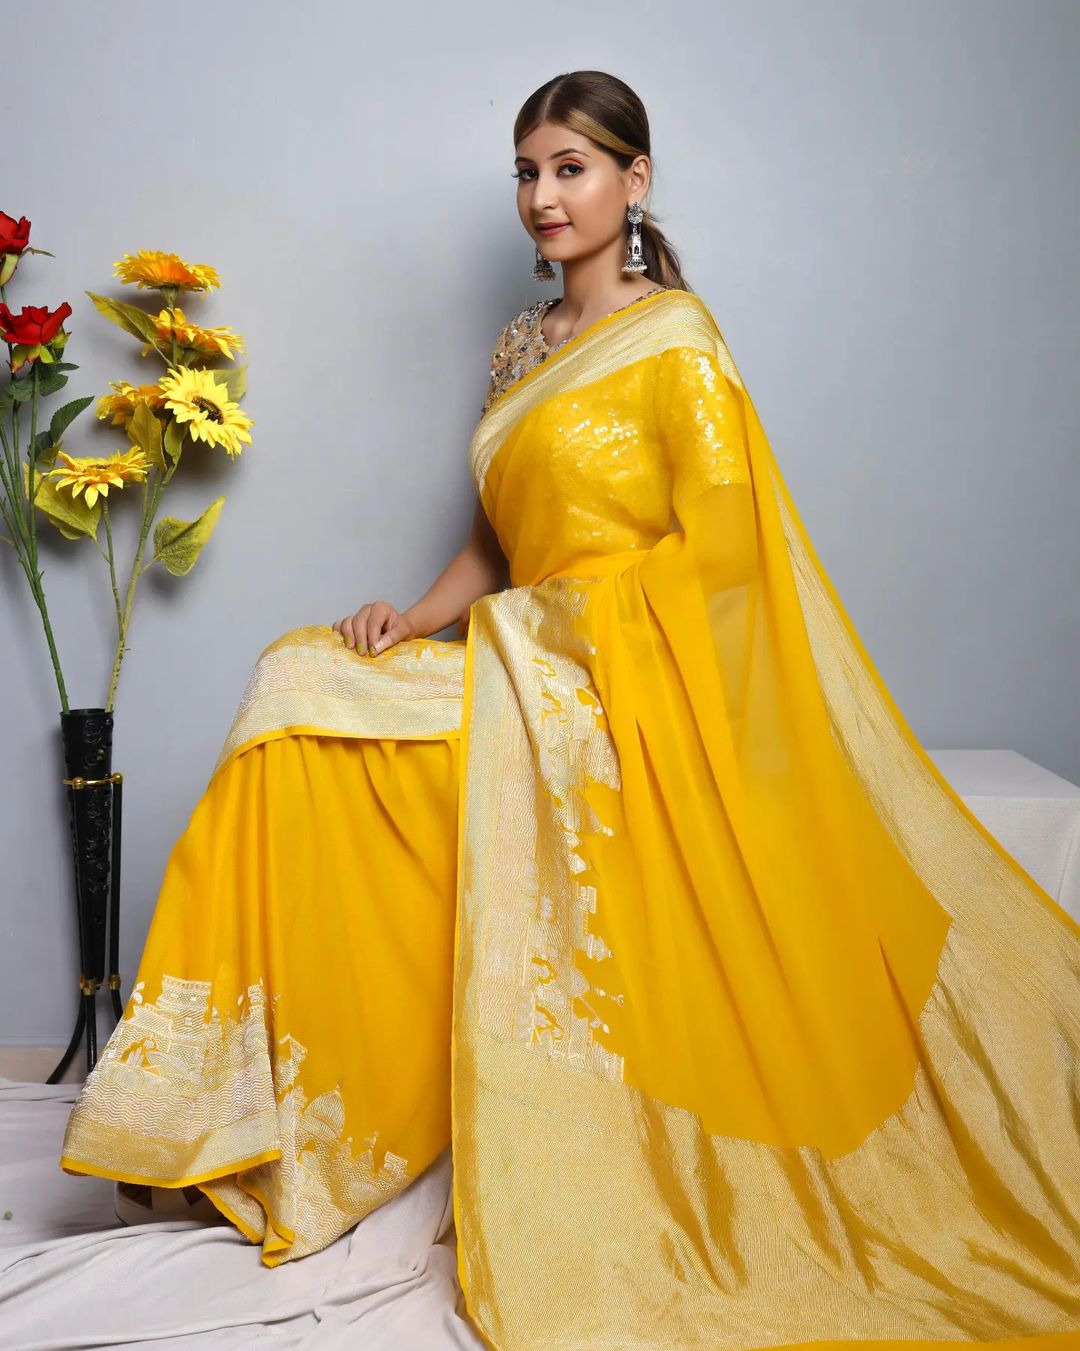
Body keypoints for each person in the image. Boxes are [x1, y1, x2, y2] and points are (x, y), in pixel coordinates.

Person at [60, 69, 1080, 1350]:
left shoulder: (680, 344)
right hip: (519, 649)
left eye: (572, 169)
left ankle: (313, 1131)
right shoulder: (520, 347)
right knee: (295, 680)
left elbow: (723, 564)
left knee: (317, 718)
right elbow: (497, 539)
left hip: (616, 686)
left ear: (634, 182)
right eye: (528, 173)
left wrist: (550, 634)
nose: (545, 197)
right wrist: (416, 616)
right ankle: (247, 1127)